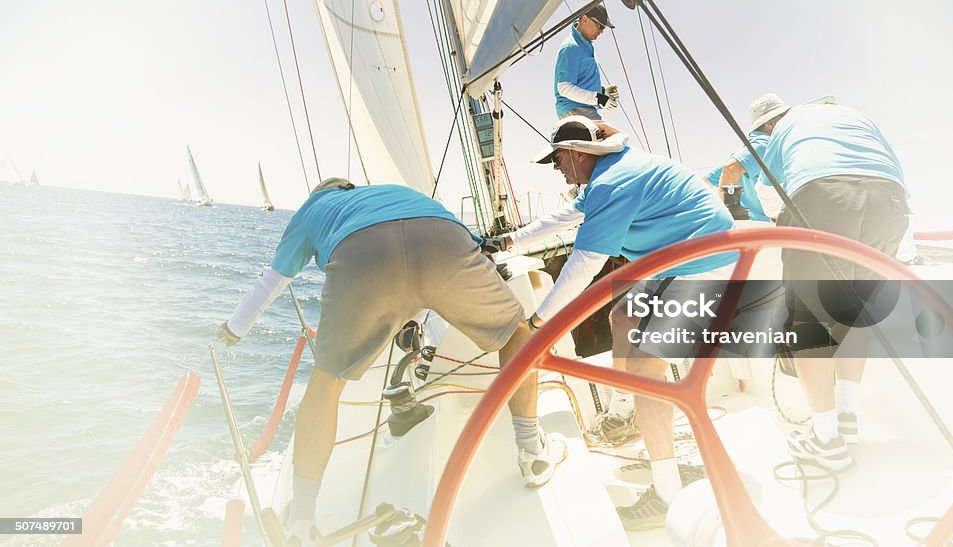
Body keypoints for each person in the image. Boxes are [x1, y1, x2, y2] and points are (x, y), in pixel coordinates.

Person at [216, 178, 567, 544]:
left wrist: (234, 329)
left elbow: (273, 279)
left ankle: (301, 520)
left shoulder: (309, 210)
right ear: (348, 187)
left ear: (317, 194)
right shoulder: (390, 191)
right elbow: (465, 248)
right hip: (442, 237)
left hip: (362, 255)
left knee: (327, 382)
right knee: (517, 334)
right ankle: (532, 453)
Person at [482, 116, 736, 530]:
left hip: (703, 265)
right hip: (680, 261)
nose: (556, 168)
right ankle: (626, 410)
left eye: (558, 159)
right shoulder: (612, 173)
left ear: (578, 154)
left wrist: (539, 321)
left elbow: (584, 265)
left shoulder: (612, 183)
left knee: (645, 368)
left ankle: (667, 493)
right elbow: (566, 216)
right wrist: (509, 241)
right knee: (623, 314)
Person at [756, 95, 910, 471]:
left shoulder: (783, 130)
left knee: (808, 320)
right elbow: (895, 173)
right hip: (890, 202)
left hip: (823, 195)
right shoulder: (854, 115)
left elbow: (766, 194)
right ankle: (846, 419)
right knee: (854, 313)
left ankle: (825, 439)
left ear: (771, 124)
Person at [703, 95, 783, 221]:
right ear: (769, 123)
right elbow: (730, 169)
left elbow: (705, 182)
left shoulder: (744, 150)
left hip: (753, 227)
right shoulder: (765, 145)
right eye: (783, 117)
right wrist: (723, 216)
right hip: (767, 228)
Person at [553, 4, 620, 120]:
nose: (601, 31)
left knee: (618, 138)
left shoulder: (584, 46)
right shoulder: (571, 47)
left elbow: (582, 82)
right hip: (575, 110)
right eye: (599, 26)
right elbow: (564, 88)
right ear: (584, 19)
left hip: (584, 111)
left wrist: (602, 92)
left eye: (603, 28)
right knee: (618, 138)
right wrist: (599, 98)